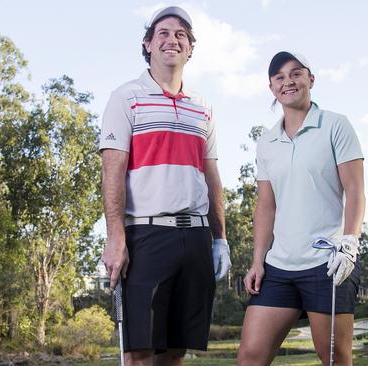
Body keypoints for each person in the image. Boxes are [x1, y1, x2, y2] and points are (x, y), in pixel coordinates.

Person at [99, 6, 231, 366]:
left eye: (181, 35)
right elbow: (112, 171)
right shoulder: (126, 97)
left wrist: (220, 238)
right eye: (163, 33)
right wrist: (115, 237)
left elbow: (211, 175)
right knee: (140, 353)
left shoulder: (202, 106)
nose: (172, 39)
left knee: (174, 352)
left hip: (196, 238)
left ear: (189, 48)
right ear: (148, 44)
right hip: (146, 235)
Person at [237, 51, 365, 366]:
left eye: (296, 73)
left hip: (328, 263)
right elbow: (265, 207)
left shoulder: (336, 125)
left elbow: (356, 191)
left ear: (311, 79)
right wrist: (258, 261)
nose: (288, 81)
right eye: (279, 77)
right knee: (250, 356)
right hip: (279, 266)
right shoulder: (267, 142)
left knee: (334, 357)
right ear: (271, 87)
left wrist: (349, 242)